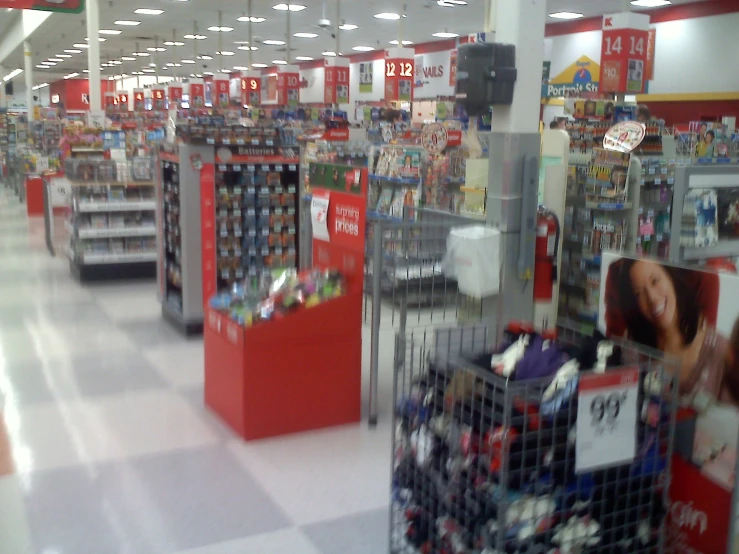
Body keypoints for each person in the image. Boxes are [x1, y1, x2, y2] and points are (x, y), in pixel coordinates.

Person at [604, 258, 739, 407]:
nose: (652, 299)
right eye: (638, 294)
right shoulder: (633, 346)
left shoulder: (721, 355)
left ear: (672, 279)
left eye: (655, 281)